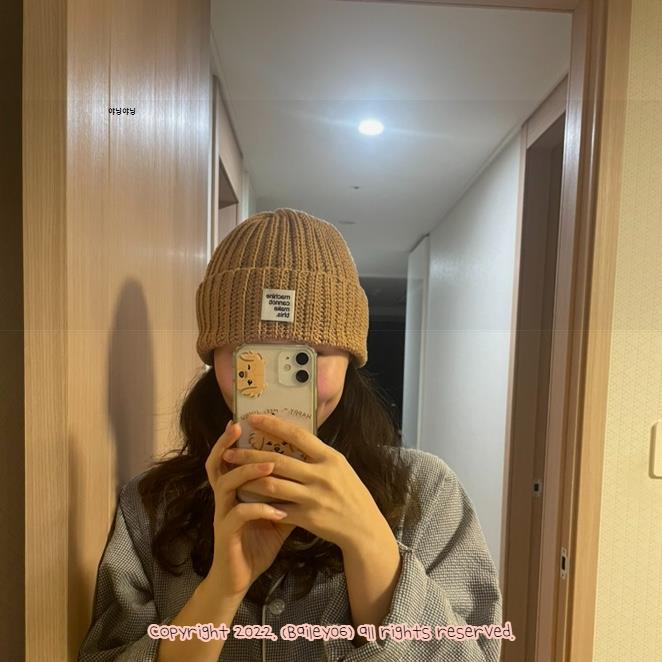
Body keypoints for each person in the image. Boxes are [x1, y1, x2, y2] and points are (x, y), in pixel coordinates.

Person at [78, 208, 503, 661]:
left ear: (350, 358)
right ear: (214, 357)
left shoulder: (426, 493)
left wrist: (370, 546)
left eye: (306, 356)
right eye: (251, 356)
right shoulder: (150, 506)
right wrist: (221, 589)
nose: (275, 389)